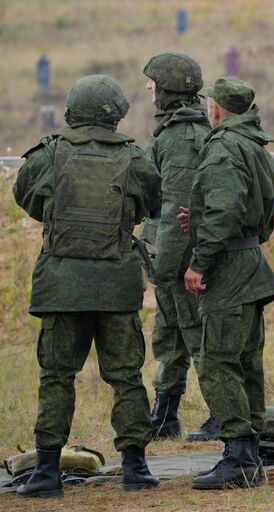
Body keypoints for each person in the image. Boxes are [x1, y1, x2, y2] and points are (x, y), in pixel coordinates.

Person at [13, 74, 162, 497]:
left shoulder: (48, 155)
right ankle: (136, 469)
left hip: (61, 287)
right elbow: (152, 200)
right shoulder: (135, 157)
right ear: (115, 113)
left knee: (56, 377)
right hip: (116, 287)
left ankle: (45, 473)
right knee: (127, 377)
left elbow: (26, 197)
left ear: (72, 109)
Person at [178, 78, 274, 489]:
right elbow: (272, 188)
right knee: (246, 360)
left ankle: (239, 458)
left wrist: (199, 262)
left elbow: (225, 208)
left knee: (220, 362)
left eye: (209, 104)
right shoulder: (252, 143)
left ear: (217, 109)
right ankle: (249, 454)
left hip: (228, 271)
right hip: (249, 263)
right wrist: (209, 223)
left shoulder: (224, 145)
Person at [140, 51, 220, 442]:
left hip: (180, 255)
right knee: (169, 336)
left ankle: (223, 414)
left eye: (153, 82)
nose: (148, 88)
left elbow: (176, 206)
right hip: (169, 254)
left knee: (195, 334)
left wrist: (167, 266)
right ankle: (166, 414)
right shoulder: (173, 131)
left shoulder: (182, 137)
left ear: (168, 88)